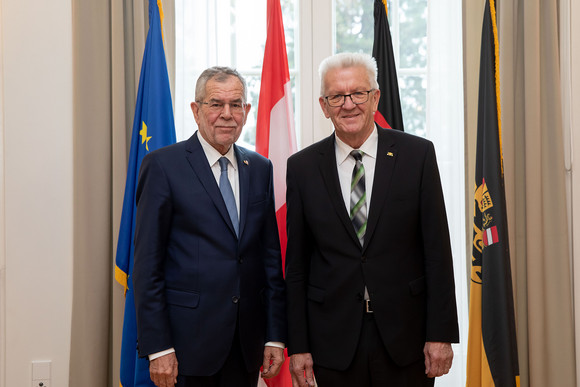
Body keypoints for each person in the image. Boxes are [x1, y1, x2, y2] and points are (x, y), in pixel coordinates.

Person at [285, 52, 459, 386]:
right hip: (331, 340)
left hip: (406, 338)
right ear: (324, 105)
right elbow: (297, 267)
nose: (348, 104)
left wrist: (441, 333)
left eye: (358, 93)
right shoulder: (303, 167)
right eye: (336, 96)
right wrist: (299, 345)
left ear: (375, 97)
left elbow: (437, 252)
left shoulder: (417, 155)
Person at [133, 66, 287, 387]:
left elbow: (269, 259)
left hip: (245, 345)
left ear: (246, 111)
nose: (227, 114)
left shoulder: (259, 167)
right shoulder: (163, 166)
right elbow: (148, 265)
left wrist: (274, 335)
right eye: (216, 104)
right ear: (196, 110)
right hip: (185, 345)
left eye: (236, 105)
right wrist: (158, 345)